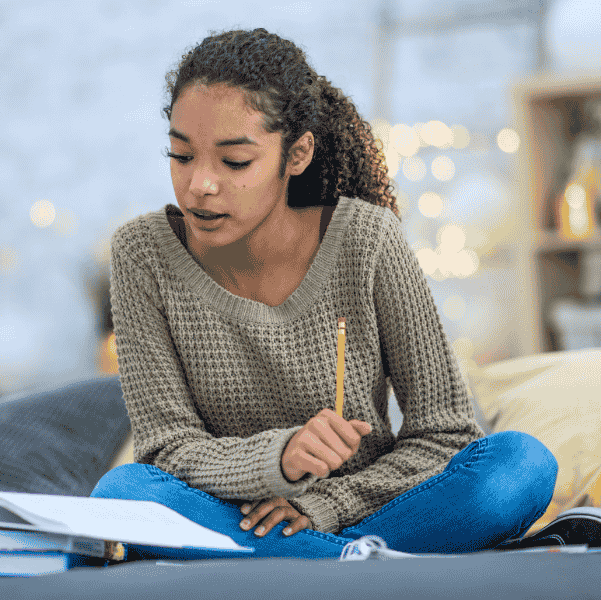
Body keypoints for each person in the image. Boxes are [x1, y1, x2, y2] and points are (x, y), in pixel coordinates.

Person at [92, 27, 558, 563]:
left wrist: (327, 503)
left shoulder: (368, 239)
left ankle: (313, 560)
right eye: (181, 156)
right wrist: (280, 457)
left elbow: (444, 435)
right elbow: (166, 449)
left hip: (368, 510)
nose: (200, 184)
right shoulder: (141, 254)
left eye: (235, 161)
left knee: (520, 465)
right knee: (125, 491)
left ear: (298, 153)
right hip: (231, 515)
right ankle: (347, 563)